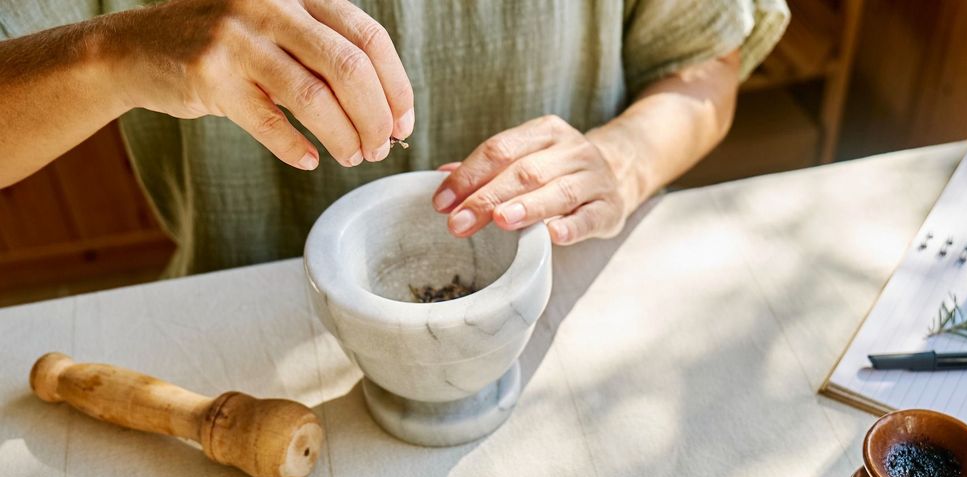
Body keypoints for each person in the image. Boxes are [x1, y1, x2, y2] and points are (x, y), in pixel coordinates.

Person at [0, 0, 788, 276]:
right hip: (248, 318)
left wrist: (623, 157)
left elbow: (702, 60)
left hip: (558, 301)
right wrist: (115, 53)